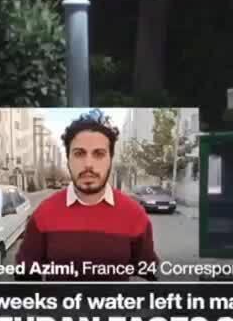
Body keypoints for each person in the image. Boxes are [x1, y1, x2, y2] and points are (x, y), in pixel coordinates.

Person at [16, 110, 159, 281]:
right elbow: (25, 278)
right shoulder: (44, 213)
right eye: (79, 154)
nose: (88, 164)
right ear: (68, 159)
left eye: (99, 154)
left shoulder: (135, 215)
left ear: (110, 159)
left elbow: (148, 275)